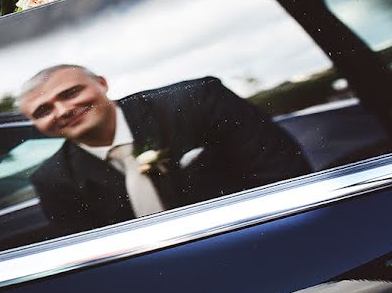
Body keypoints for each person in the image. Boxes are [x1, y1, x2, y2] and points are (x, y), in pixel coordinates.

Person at [17, 65, 311, 234]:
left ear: (102, 83)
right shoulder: (53, 179)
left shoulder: (195, 101)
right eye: (43, 110)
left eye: (70, 93)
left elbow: (283, 175)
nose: (63, 110)